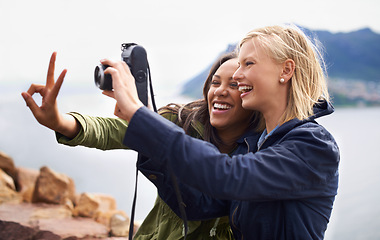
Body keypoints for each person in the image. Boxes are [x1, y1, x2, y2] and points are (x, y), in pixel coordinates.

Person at [100, 24, 340, 240]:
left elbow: (224, 175)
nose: (237, 74)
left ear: (286, 70)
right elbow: (199, 205)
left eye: (249, 63)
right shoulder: (257, 144)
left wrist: (139, 115)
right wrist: (149, 123)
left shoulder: (313, 146)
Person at [21, 51, 263, 239]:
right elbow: (111, 131)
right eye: (215, 82)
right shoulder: (178, 123)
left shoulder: (262, 153)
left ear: (251, 95)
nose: (219, 91)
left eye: (233, 85)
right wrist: (60, 121)